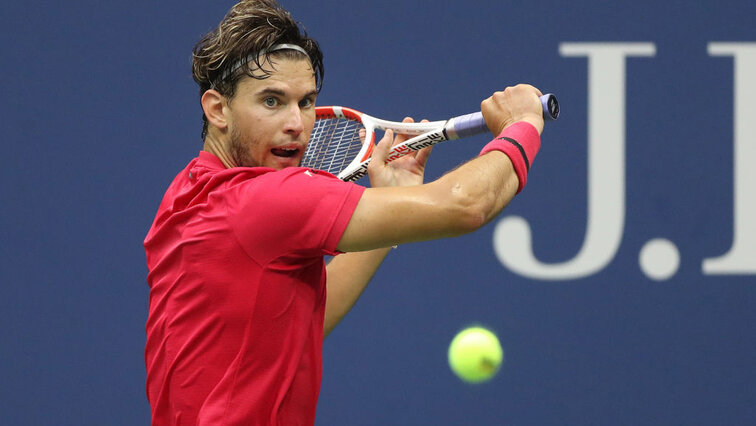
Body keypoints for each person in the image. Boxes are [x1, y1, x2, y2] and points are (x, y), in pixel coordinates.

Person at [143, 0, 547, 424]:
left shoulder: (187, 192)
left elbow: (289, 328)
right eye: (271, 102)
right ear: (218, 108)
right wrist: (522, 126)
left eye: (305, 102)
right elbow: (465, 204)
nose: (297, 123)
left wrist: (393, 208)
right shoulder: (268, 199)